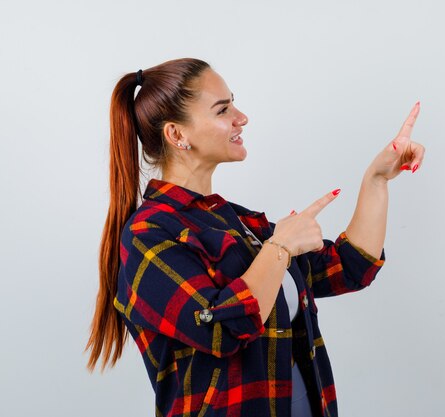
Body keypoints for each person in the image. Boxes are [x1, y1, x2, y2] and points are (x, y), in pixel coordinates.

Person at [84, 57, 425, 417]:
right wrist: (279, 247)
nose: (241, 117)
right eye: (223, 109)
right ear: (177, 134)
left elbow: (350, 267)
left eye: (234, 103)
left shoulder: (236, 222)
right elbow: (222, 329)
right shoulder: (147, 235)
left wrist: (377, 179)